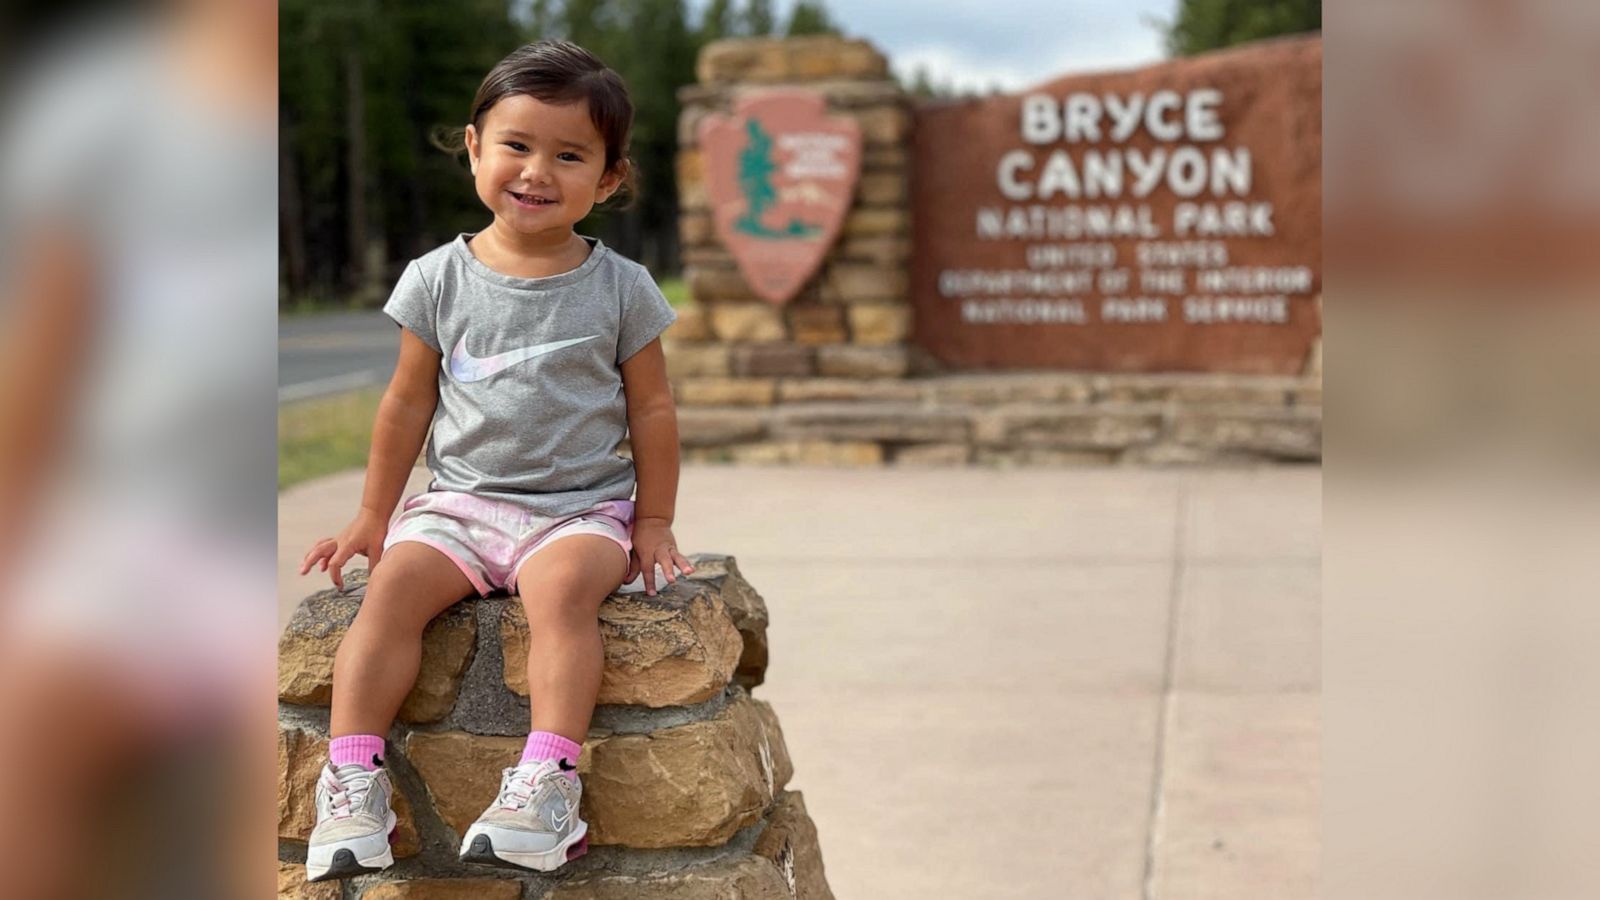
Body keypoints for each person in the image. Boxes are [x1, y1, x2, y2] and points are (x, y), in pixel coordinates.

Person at [297, 40, 692, 882]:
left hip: (579, 508)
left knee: (561, 596)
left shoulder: (621, 287)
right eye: (516, 144)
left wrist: (651, 519)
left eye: (569, 154)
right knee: (391, 596)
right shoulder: (438, 278)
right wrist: (374, 514)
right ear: (474, 147)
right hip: (462, 504)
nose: (537, 170)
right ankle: (353, 784)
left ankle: (545, 784)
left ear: (610, 179)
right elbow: (406, 402)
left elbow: (652, 408)